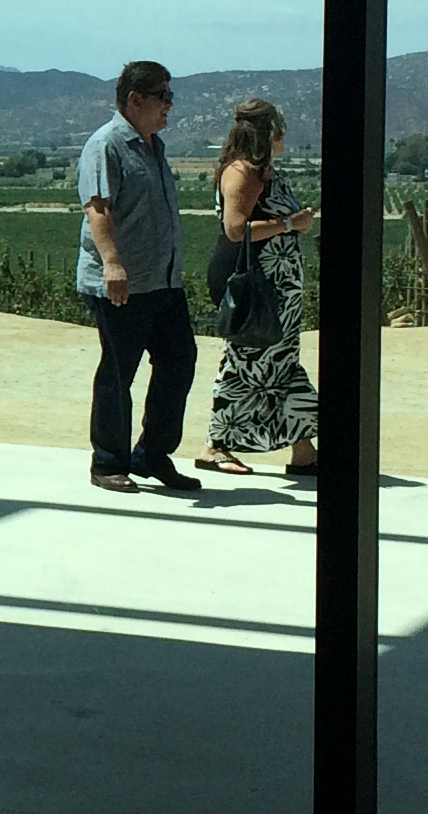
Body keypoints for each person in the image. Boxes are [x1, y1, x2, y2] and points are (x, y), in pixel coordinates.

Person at [76, 61, 197, 496]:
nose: (169, 105)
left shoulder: (154, 146)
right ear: (135, 99)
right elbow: (98, 208)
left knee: (179, 360)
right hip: (123, 283)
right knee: (118, 370)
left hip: (163, 281)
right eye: (163, 96)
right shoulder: (106, 144)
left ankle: (153, 454)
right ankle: (109, 462)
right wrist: (112, 263)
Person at [200, 96, 318, 481]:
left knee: (280, 360)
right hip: (256, 287)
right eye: (279, 128)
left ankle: (304, 451)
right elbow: (236, 229)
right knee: (245, 361)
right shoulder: (243, 172)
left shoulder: (262, 171)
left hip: (276, 288)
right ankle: (215, 445)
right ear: (267, 132)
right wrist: (291, 224)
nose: (284, 135)